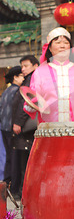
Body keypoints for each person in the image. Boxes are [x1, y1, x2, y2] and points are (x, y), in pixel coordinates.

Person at [27, 27, 74, 123]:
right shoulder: (40, 72)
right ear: (50, 48)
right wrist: (30, 105)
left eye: (66, 43)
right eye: (58, 43)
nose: (62, 46)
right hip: (49, 128)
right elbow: (33, 96)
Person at [11, 55, 39, 199]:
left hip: (27, 128)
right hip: (25, 127)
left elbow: (27, 104)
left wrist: (18, 123)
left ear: (35, 65)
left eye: (26, 66)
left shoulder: (33, 80)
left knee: (26, 163)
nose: (23, 69)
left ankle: (24, 193)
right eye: (22, 66)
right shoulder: (28, 79)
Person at [0, 66, 24, 188]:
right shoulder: (17, 91)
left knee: (9, 157)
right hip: (12, 128)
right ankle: (14, 186)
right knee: (15, 158)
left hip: (4, 128)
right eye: (21, 75)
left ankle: (7, 183)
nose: (24, 78)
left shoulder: (6, 91)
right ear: (15, 77)